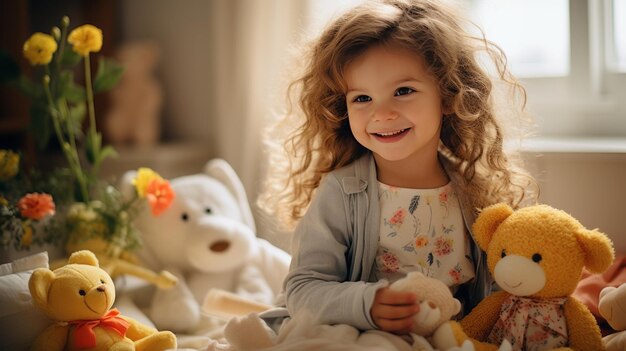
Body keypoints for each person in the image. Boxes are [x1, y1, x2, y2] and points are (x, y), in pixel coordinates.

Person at [258, 0, 538, 338]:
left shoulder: (472, 187)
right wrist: (368, 304)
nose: (383, 113)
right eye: (362, 98)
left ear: (449, 96)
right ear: (342, 108)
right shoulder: (341, 192)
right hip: (367, 333)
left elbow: (495, 286)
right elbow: (302, 291)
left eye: (403, 91)